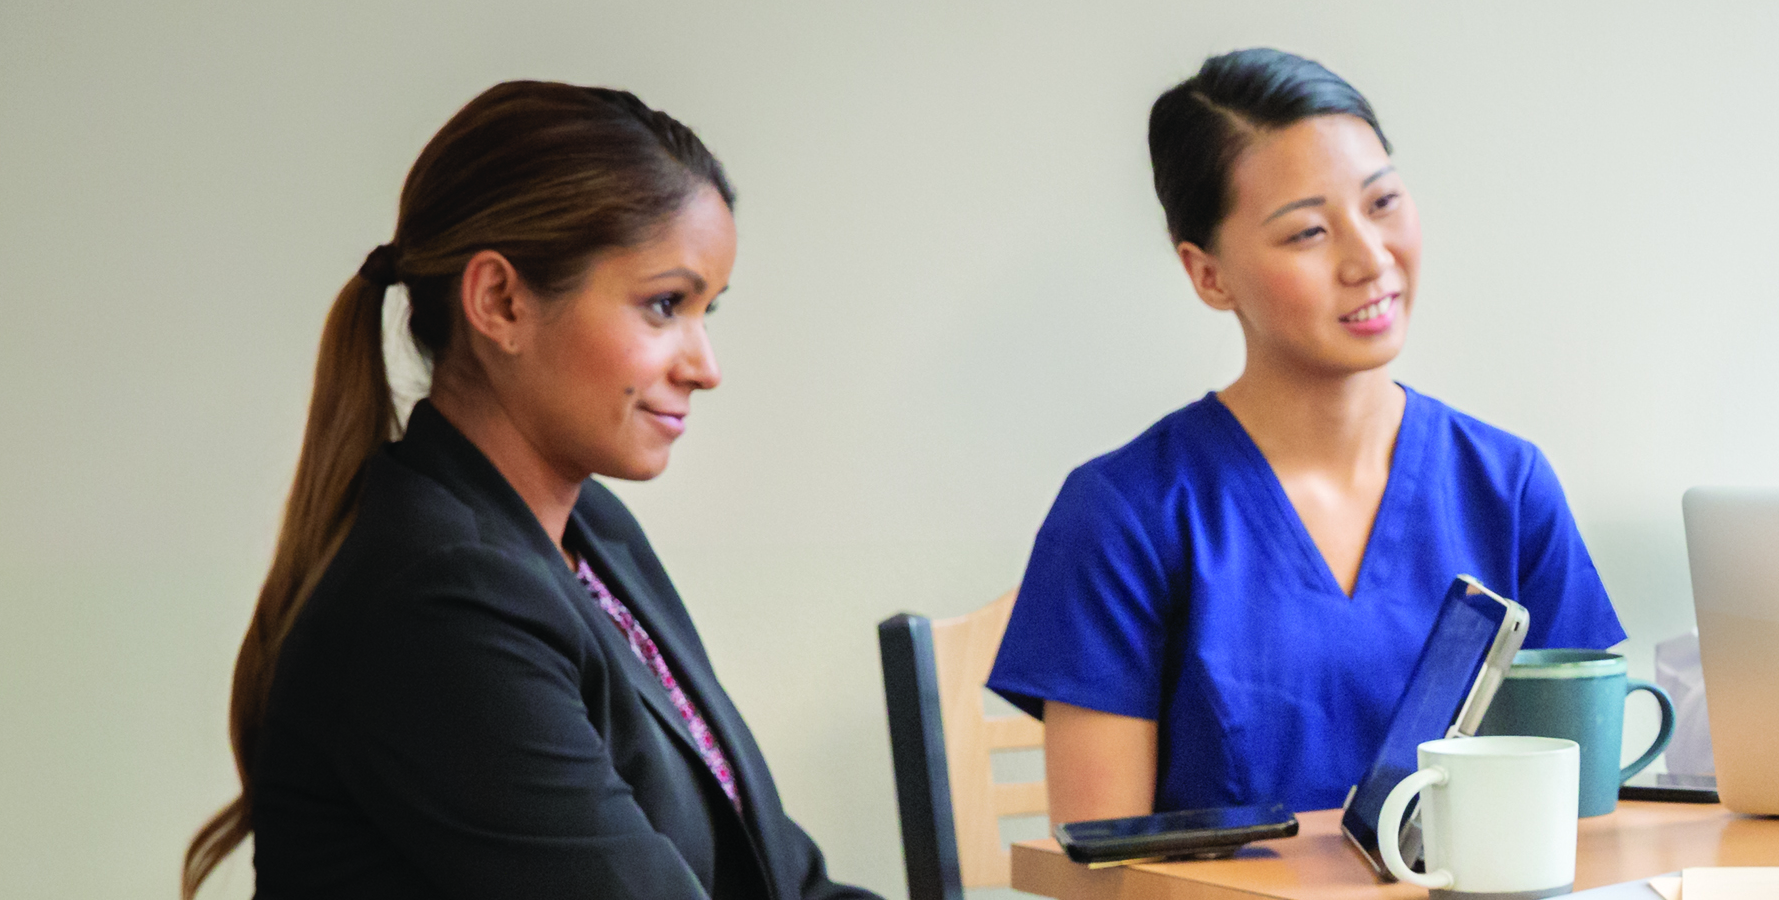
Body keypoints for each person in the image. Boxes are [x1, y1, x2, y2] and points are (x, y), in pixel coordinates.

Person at [184, 82, 878, 900]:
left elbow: (783, 880)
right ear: (500, 302)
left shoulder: (593, 533)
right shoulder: (439, 598)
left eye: (706, 311)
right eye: (664, 306)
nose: (706, 366)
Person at [988, 49, 1625, 823]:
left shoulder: (1507, 485)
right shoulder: (1124, 514)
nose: (1369, 258)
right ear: (1208, 275)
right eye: (1309, 233)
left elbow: (1589, 821)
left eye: (1383, 202)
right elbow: (1103, 873)